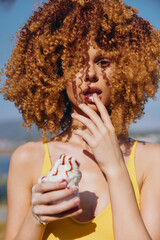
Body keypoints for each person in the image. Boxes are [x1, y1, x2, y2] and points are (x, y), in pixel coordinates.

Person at [0, 0, 160, 239]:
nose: (90, 74)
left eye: (103, 62)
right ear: (56, 72)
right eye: (75, 62)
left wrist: (116, 168)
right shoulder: (28, 160)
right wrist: (35, 217)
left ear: (126, 69)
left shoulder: (152, 162)